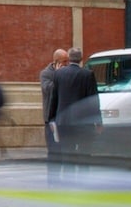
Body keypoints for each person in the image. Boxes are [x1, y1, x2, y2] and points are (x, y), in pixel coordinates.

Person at [46, 48, 101, 183]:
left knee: (66, 151)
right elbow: (93, 100)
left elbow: (54, 98)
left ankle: (68, 181)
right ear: (81, 59)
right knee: (84, 153)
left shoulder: (58, 74)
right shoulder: (88, 75)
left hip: (63, 121)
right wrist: (98, 121)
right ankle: (83, 180)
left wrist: (51, 119)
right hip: (83, 122)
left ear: (69, 59)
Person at [39, 48, 66, 182]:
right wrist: (57, 75)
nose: (66, 64)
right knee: (53, 151)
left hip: (63, 119)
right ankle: (53, 180)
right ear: (56, 62)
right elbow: (48, 89)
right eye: (64, 62)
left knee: (63, 152)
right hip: (51, 119)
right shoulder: (46, 73)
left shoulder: (65, 73)